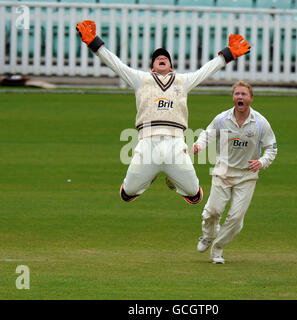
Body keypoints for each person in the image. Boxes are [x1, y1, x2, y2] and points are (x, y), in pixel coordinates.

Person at [76, 20, 251, 204]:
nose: (162, 58)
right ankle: (150, 177)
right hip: (147, 143)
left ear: (171, 66)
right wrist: (93, 42)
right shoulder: (141, 79)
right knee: (126, 194)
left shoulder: (182, 81)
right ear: (152, 67)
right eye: (158, 57)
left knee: (195, 195)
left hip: (175, 143)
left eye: (165, 57)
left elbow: (205, 71)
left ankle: (173, 181)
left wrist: (227, 54)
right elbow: (116, 65)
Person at [192, 81, 277, 264]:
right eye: (237, 94)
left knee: (236, 218)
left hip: (247, 176)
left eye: (244, 94)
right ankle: (208, 236)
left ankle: (217, 249)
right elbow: (208, 133)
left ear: (251, 98)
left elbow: (272, 148)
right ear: (233, 97)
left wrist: (262, 162)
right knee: (212, 212)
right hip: (223, 171)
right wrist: (199, 145)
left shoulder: (260, 123)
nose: (240, 97)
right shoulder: (222, 118)